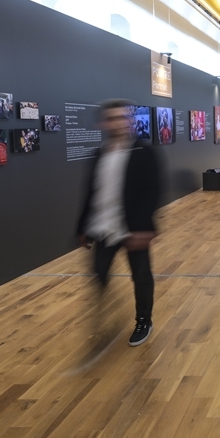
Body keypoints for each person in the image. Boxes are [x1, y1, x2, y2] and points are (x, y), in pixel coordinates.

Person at [76, 99, 161, 346]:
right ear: (104, 123)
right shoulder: (99, 154)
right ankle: (108, 314)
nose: (118, 123)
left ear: (130, 121)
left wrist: (143, 228)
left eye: (122, 117)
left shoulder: (144, 152)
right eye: (112, 118)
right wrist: (82, 227)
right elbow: (91, 192)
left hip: (133, 228)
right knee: (99, 272)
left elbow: (152, 191)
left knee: (141, 277)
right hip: (103, 227)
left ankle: (143, 320)